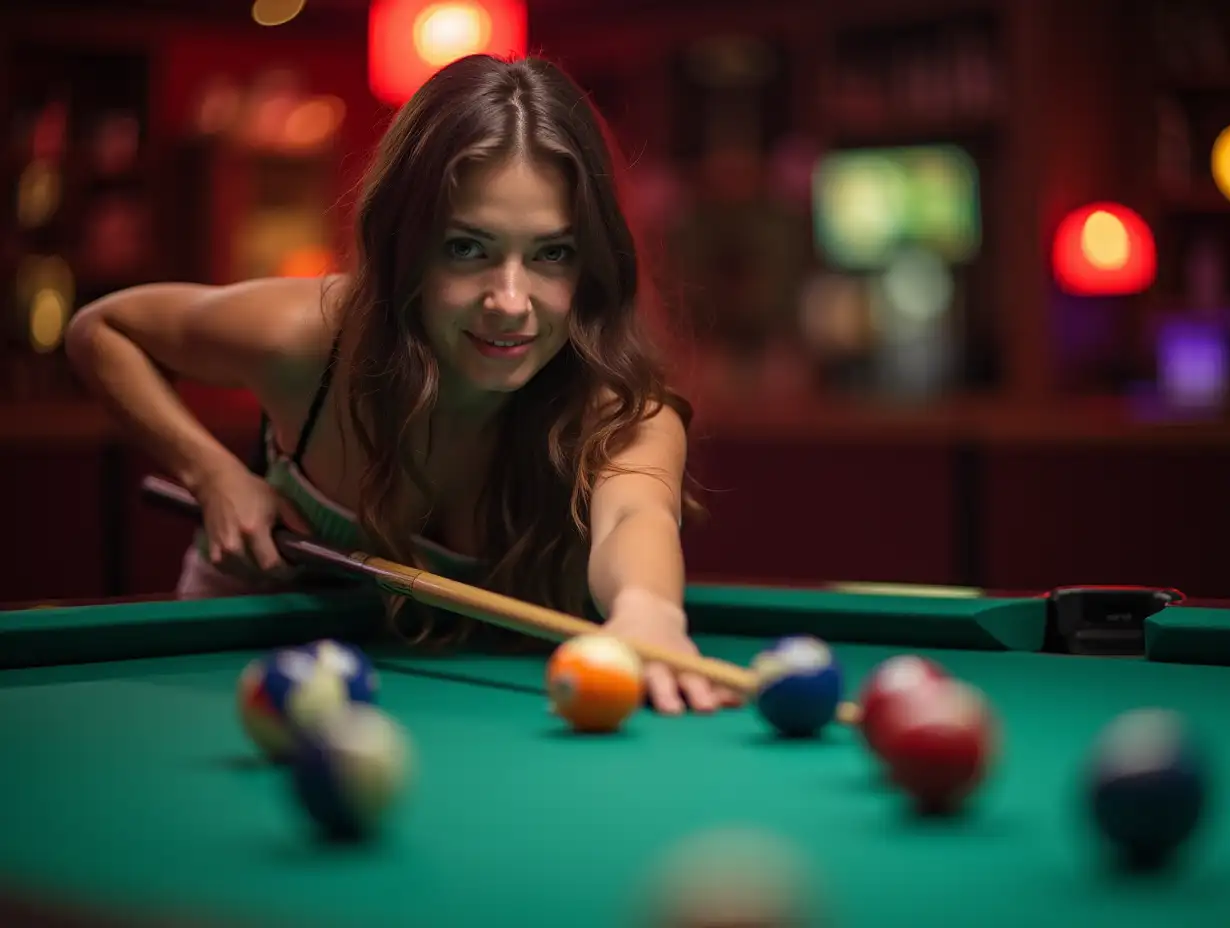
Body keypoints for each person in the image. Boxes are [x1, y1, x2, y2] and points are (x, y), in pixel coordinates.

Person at [65, 53, 739, 715]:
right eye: (466, 248)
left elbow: (633, 515)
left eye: (551, 254)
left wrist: (648, 610)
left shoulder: (621, 410)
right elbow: (101, 332)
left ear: (591, 265)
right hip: (235, 678)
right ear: (404, 245)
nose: (510, 300)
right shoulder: (312, 339)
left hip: (473, 715)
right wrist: (214, 474)